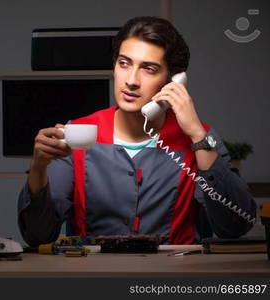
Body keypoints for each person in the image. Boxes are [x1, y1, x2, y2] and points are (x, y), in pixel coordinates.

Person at [17, 16, 257, 246]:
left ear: (173, 81)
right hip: (94, 276)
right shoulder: (77, 133)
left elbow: (235, 226)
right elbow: (38, 235)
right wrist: (39, 167)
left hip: (175, 279)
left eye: (149, 69)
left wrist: (196, 135)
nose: (131, 80)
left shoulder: (200, 138)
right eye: (124, 63)